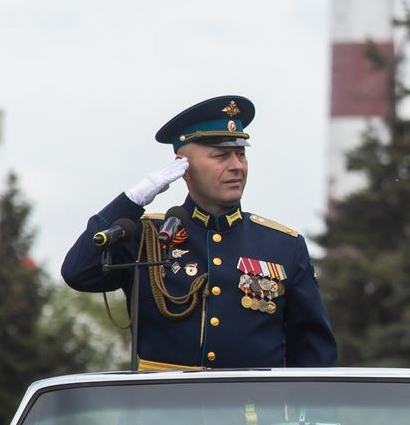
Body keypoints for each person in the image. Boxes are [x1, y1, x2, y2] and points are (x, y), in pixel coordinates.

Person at [61, 96, 337, 371]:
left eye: (241, 154)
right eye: (220, 156)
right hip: (164, 409)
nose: (237, 166)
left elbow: (314, 351)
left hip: (252, 411)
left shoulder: (283, 245)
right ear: (184, 165)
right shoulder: (147, 237)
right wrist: (132, 201)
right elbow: (78, 271)